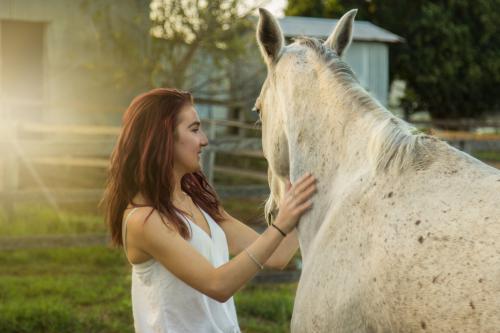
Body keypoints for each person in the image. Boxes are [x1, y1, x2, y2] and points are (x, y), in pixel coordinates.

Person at [102, 88, 316, 332]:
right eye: (194, 129)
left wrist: (305, 197)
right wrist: (280, 224)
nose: (204, 139)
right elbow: (218, 285)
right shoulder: (143, 220)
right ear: (163, 138)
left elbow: (277, 256)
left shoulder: (197, 203)